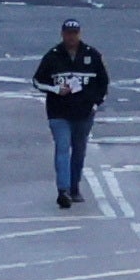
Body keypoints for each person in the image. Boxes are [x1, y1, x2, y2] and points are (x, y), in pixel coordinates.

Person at [33, 17, 109, 208]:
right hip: (59, 113)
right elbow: (37, 81)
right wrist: (56, 90)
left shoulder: (92, 55)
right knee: (62, 148)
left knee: (79, 150)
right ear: (62, 34)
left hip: (84, 114)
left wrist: (94, 105)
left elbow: (103, 84)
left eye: (74, 34)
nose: (71, 37)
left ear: (79, 34)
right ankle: (63, 190)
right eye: (68, 33)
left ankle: (74, 187)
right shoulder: (53, 56)